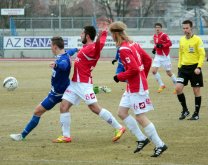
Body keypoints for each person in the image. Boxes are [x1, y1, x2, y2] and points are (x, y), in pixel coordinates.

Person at [52, 23, 126, 143]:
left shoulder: (92, 48)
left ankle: (119, 127)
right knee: (63, 106)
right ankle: (66, 136)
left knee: (94, 108)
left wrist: (103, 34)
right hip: (75, 83)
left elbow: (100, 45)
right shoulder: (87, 48)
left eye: (82, 33)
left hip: (83, 84)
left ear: (87, 36)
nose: (80, 35)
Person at [109, 21, 167, 157]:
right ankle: (141, 138)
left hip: (136, 87)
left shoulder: (123, 49)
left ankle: (160, 144)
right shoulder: (133, 44)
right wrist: (143, 76)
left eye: (112, 34)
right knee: (122, 112)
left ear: (116, 34)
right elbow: (147, 60)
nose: (111, 37)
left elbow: (134, 69)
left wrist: (119, 76)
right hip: (133, 85)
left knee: (140, 117)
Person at [10, 37, 78, 141]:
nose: (50, 48)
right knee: (61, 110)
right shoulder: (66, 54)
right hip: (62, 90)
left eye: (51, 46)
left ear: (55, 47)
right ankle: (23, 135)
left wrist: (56, 64)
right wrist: (78, 49)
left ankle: (22, 136)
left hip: (57, 94)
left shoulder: (63, 59)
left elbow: (64, 66)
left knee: (38, 111)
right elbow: (72, 50)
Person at [176, 20, 205, 120]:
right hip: (183, 68)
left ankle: (196, 114)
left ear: (191, 28)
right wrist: (179, 67)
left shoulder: (197, 40)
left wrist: (199, 67)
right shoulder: (181, 40)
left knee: (196, 91)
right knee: (178, 88)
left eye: (187, 28)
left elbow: (202, 54)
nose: (185, 30)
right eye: (183, 28)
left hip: (194, 68)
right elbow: (181, 53)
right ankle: (185, 110)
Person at [152, 23, 177, 93]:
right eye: (156, 27)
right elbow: (156, 45)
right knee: (154, 71)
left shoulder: (164, 35)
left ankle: (177, 86)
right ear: (154, 28)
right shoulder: (154, 36)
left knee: (168, 73)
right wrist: (154, 49)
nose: (157, 29)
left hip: (165, 56)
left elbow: (170, 43)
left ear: (161, 28)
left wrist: (162, 45)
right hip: (158, 56)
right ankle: (161, 85)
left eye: (159, 27)